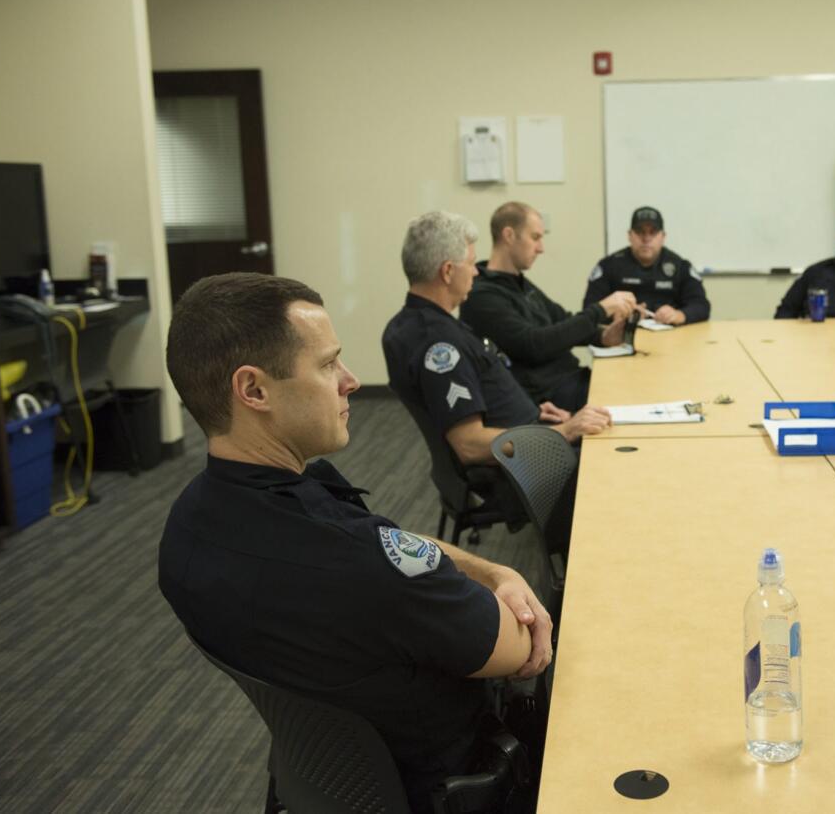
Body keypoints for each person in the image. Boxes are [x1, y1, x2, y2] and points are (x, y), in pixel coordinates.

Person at [160, 272, 551, 813]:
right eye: (326, 364)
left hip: (331, 785)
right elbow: (517, 648)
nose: (350, 380)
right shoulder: (359, 565)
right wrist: (505, 579)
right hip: (449, 785)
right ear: (253, 390)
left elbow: (384, 544)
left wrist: (492, 572)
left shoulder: (187, 527)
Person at [383, 211, 611, 471]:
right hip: (528, 472)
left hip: (530, 436)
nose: (475, 273)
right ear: (447, 271)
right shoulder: (439, 344)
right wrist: (565, 430)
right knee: (620, 455)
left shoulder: (412, 325)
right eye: (470, 264)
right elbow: (469, 444)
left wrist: (535, 414)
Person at [460, 202, 637, 411]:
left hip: (572, 381)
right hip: (549, 400)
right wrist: (600, 309)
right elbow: (534, 345)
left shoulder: (519, 282)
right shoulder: (482, 296)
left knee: (639, 381)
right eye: (535, 237)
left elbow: (563, 320)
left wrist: (603, 337)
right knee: (636, 395)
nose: (541, 248)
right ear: (509, 235)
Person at [583, 206, 710, 325]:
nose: (646, 238)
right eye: (640, 232)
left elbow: (701, 306)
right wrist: (615, 315)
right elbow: (589, 308)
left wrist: (679, 315)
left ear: (663, 237)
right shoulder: (609, 266)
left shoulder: (680, 266)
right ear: (630, 235)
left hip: (668, 337)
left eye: (653, 232)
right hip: (619, 339)